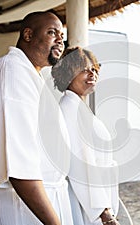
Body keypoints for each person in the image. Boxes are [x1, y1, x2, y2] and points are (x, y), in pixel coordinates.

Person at [0, 11, 73, 225]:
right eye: (52, 32)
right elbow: (19, 169)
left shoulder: (29, 75)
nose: (60, 40)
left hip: (39, 201)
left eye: (62, 35)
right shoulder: (11, 75)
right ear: (28, 35)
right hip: (18, 207)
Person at [51, 47, 121, 225]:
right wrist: (104, 214)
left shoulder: (78, 107)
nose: (92, 74)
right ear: (67, 74)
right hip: (87, 202)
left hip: (96, 196)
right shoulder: (70, 110)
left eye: (94, 69)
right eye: (83, 69)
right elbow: (82, 166)